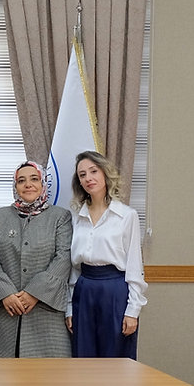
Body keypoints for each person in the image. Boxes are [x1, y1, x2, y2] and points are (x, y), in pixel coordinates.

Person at [0, 161, 73, 358]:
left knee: (45, 380)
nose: (28, 184)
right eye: (21, 181)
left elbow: (63, 257)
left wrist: (33, 293)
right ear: (15, 187)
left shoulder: (60, 217)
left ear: (43, 184)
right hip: (4, 309)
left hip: (45, 310)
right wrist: (6, 293)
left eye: (34, 179)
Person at [65, 151, 146, 359]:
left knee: (115, 359)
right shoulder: (76, 217)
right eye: (82, 175)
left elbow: (135, 266)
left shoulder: (127, 216)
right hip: (84, 291)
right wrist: (69, 308)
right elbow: (74, 269)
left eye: (93, 171)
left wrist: (132, 310)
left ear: (105, 174)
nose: (88, 178)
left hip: (115, 291)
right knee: (84, 357)